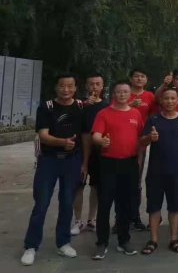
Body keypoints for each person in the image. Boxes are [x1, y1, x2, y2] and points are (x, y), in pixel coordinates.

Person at [21, 74, 88, 266]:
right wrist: (62, 142)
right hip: (49, 161)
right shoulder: (47, 107)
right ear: (56, 88)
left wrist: (84, 162)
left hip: (72, 162)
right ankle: (31, 246)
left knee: (67, 203)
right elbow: (43, 135)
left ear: (75, 88)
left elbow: (85, 136)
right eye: (62, 86)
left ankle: (63, 242)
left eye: (70, 86)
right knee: (41, 204)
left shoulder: (81, 107)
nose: (66, 90)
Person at [91, 80, 144, 260]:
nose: (122, 94)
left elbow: (141, 137)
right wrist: (101, 141)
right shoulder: (104, 113)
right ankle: (101, 242)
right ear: (113, 94)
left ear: (130, 94)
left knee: (126, 204)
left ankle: (124, 240)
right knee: (105, 203)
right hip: (108, 164)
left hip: (129, 164)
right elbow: (96, 135)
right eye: (119, 91)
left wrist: (147, 144)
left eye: (125, 92)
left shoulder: (136, 113)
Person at [139, 86, 178, 255]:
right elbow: (142, 140)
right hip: (155, 171)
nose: (169, 101)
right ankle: (153, 239)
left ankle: (174, 239)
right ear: (161, 101)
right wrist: (150, 138)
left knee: (175, 206)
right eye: (166, 98)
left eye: (172, 98)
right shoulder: (153, 119)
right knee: (154, 206)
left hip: (176, 171)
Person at [72, 73, 106, 236]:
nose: (94, 87)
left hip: (99, 153)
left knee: (96, 186)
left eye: (98, 84)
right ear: (86, 86)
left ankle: (92, 219)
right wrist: (84, 106)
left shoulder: (106, 106)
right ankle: (77, 220)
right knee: (78, 185)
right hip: (79, 151)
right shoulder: (78, 105)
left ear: (102, 86)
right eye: (91, 84)